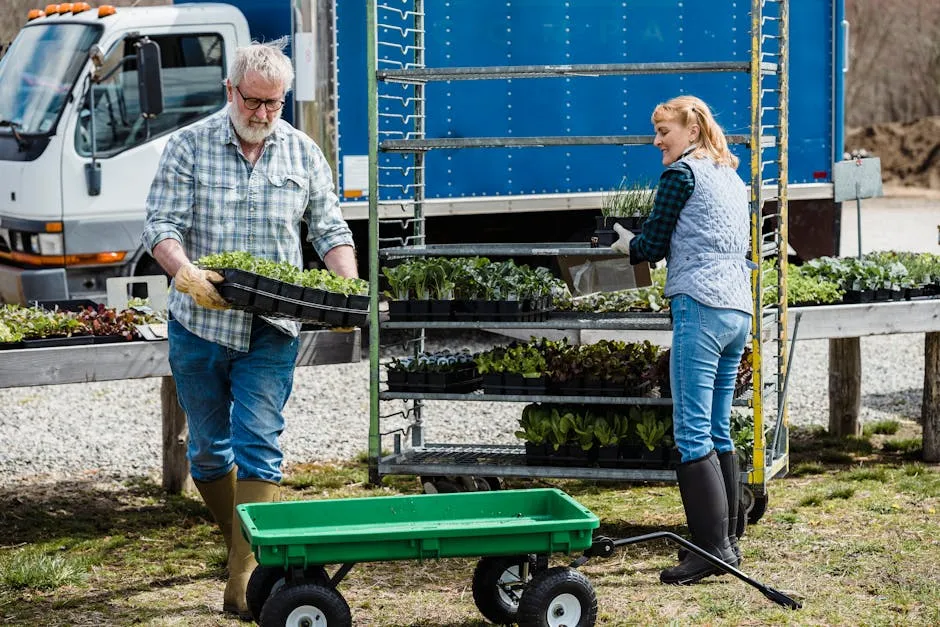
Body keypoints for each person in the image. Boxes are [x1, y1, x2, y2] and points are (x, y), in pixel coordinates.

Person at [141, 40, 357, 618]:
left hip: (271, 326)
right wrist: (184, 271)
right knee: (210, 452)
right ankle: (245, 543)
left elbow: (330, 230)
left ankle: (243, 578)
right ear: (230, 91)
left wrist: (349, 289)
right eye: (254, 101)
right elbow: (160, 225)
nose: (263, 114)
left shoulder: (303, 153)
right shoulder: (188, 147)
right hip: (200, 324)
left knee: (260, 442)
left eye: (274, 104)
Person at [611, 95, 753, 585]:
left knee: (691, 431)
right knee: (718, 427)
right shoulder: (730, 175)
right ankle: (730, 540)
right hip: (738, 309)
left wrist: (625, 242)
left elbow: (652, 245)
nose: (657, 142)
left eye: (663, 132)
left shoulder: (682, 174)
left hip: (700, 305)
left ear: (691, 131)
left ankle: (711, 552)